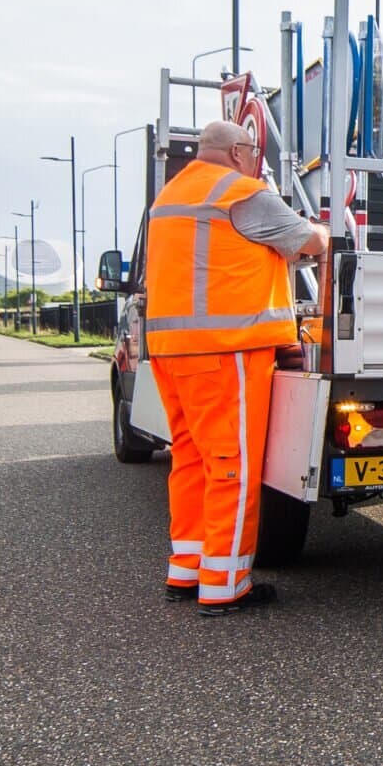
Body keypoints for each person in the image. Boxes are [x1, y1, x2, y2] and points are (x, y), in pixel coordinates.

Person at [143, 119, 330, 616]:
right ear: (238, 152)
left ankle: (186, 570)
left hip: (170, 350)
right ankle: (225, 586)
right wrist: (324, 231)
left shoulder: (171, 196)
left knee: (191, 459)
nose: (256, 162)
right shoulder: (241, 192)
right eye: (254, 153)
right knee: (233, 467)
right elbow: (306, 243)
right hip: (225, 350)